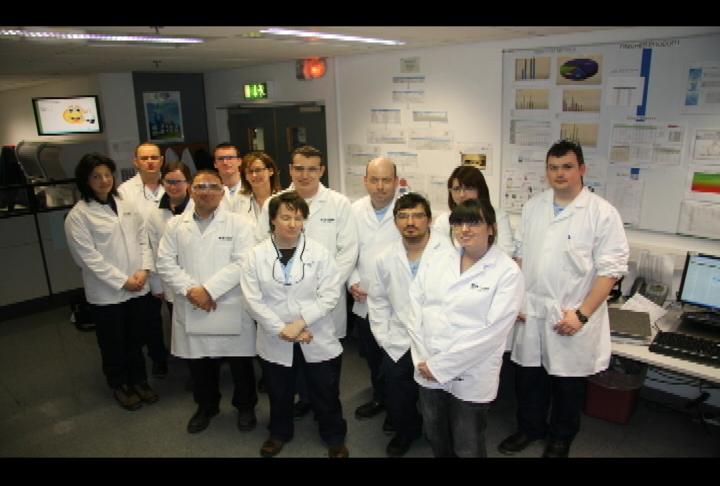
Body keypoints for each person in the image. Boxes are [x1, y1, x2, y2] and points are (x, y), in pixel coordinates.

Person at [498, 140, 629, 458]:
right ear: (547, 172)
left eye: (567, 167)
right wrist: (515, 300)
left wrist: (581, 315)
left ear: (582, 169)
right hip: (532, 308)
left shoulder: (601, 213)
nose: (560, 174)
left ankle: (561, 437)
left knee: (567, 383)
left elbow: (610, 272)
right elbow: (519, 254)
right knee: (529, 376)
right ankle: (529, 428)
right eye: (553, 168)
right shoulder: (534, 207)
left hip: (572, 312)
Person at [408, 199, 524, 457]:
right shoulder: (437, 258)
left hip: (472, 372)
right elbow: (415, 307)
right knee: (435, 433)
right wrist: (424, 359)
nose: (464, 229)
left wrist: (441, 366)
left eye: (474, 222)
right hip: (427, 363)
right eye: (458, 223)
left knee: (467, 443)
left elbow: (492, 334)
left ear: (491, 228)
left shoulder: (507, 273)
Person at [241, 191, 349, 458]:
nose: (292, 224)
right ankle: (279, 433)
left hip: (315, 333)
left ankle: (333, 436)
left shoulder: (320, 253)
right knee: (279, 390)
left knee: (324, 389)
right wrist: (282, 329)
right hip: (275, 336)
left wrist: (299, 324)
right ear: (273, 220)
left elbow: (330, 295)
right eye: (286, 217)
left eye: (298, 218)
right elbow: (252, 300)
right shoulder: (255, 256)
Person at [256, 145, 358, 418]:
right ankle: (303, 400)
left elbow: (347, 251)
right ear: (289, 169)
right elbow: (260, 249)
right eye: (299, 168)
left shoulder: (338, 203)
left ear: (322, 170)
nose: (305, 174)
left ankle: (323, 407)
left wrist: (323, 289)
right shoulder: (273, 203)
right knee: (290, 361)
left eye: (312, 168)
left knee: (324, 365)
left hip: (325, 301)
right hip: (282, 301)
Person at [156, 169, 258, 434]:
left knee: (240, 363)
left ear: (222, 192)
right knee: (199, 362)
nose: (207, 192)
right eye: (201, 186)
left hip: (229, 302)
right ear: (191, 190)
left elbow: (243, 262)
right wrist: (193, 291)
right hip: (193, 304)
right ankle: (206, 406)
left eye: (213, 187)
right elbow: (165, 263)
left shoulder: (240, 224)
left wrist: (209, 291)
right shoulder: (175, 225)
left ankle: (245, 406)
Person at [64, 152, 159, 411]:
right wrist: (122, 281)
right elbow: (87, 258)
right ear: (85, 181)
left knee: (135, 337)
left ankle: (139, 380)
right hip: (107, 293)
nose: (104, 180)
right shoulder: (79, 215)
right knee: (113, 341)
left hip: (138, 286)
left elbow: (143, 239)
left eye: (107, 175)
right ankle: (120, 384)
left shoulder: (125, 204)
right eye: (96, 176)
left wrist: (144, 270)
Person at [367, 192, 444, 457]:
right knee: (396, 391)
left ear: (429, 220)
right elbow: (377, 301)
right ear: (395, 221)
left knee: (440, 394)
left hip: (438, 339)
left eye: (417, 215)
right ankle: (406, 432)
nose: (410, 221)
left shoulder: (450, 253)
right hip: (398, 339)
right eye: (403, 216)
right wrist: (383, 338)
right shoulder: (385, 258)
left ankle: (440, 434)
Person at [347, 157, 400, 425]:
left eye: (386, 180)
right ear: (365, 181)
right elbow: (347, 252)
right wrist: (352, 280)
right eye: (374, 180)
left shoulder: (408, 208)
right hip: (365, 298)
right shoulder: (354, 210)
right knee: (371, 354)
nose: (380, 186)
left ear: (396, 182)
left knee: (397, 359)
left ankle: (397, 408)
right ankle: (380, 397)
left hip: (397, 302)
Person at [117, 142, 169, 378]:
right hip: (144, 268)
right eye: (144, 158)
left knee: (182, 314)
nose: (150, 162)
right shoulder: (124, 192)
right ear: (135, 161)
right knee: (150, 320)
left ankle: (195, 358)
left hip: (175, 264)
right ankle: (158, 358)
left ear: (161, 160)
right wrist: (149, 271)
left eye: (154, 157)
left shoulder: (173, 185)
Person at [432, 165, 515, 257]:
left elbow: (506, 252)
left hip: (492, 269)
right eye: (456, 189)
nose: (462, 194)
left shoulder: (498, 216)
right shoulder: (443, 220)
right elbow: (438, 254)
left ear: (480, 190)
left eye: (468, 188)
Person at [237, 151, 282, 223]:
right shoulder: (238, 201)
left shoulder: (284, 200)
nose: (254, 175)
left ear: (270, 171)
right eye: (250, 171)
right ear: (245, 176)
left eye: (258, 170)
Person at [212, 143, 244, 212]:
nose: (225, 162)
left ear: (239, 161)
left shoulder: (252, 187)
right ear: (215, 164)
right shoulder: (208, 190)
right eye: (220, 159)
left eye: (230, 158)